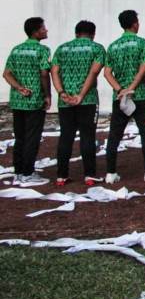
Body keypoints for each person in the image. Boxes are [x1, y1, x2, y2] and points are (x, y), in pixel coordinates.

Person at [103, 10, 145, 184]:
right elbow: (144, 67)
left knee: (114, 136)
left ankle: (110, 173)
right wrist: (132, 87)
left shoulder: (113, 46)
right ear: (135, 23)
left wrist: (120, 89)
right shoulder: (142, 43)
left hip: (119, 97)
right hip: (141, 94)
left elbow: (107, 73)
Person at [50, 20, 105, 187]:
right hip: (87, 100)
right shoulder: (97, 48)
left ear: (76, 33)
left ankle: (61, 175)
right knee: (87, 136)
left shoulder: (61, 49)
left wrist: (61, 92)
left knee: (66, 136)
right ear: (93, 34)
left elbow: (54, 71)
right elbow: (94, 72)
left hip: (65, 100)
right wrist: (81, 94)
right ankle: (89, 174)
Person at [3, 17, 51, 186]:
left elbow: (7, 73)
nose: (46, 30)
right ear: (36, 31)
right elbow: (44, 73)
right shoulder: (42, 50)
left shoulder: (16, 50)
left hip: (18, 101)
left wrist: (19, 88)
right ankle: (28, 172)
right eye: (43, 28)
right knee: (32, 136)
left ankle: (18, 171)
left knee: (20, 136)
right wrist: (47, 95)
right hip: (34, 99)